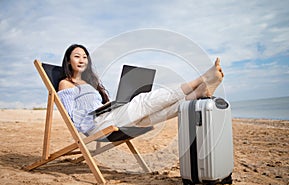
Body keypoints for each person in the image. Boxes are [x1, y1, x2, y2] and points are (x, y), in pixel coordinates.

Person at [58, 44, 224, 136]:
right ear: (68, 60)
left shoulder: (90, 83)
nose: (82, 60)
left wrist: (110, 105)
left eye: (85, 56)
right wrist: (95, 115)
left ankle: (197, 94)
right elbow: (71, 116)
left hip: (105, 117)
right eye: (77, 56)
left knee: (154, 115)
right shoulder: (66, 84)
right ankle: (201, 79)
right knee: (143, 101)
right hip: (94, 124)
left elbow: (98, 105)